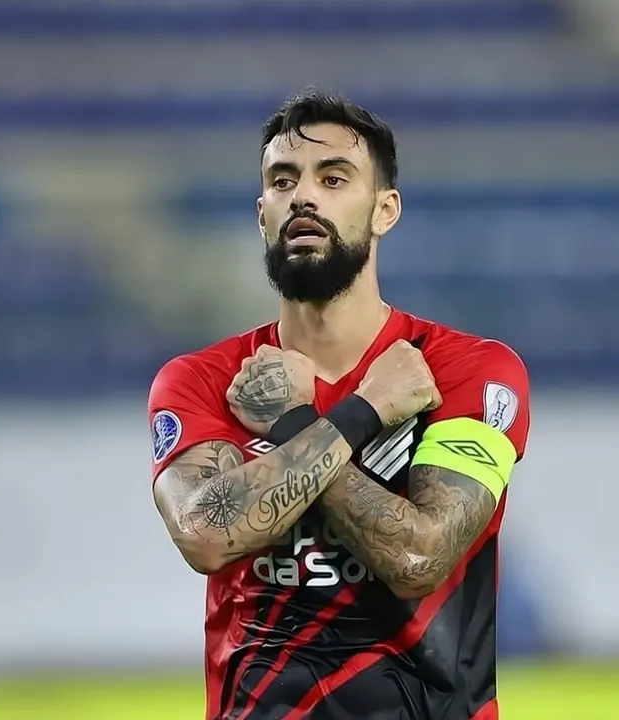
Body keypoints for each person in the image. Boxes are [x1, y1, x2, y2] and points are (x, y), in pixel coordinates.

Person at [147, 89, 531, 720]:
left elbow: (420, 557)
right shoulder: (202, 380)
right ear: (262, 215)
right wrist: (362, 412)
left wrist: (296, 423)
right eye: (282, 180)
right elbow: (206, 534)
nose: (303, 196)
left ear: (385, 210)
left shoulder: (468, 371)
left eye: (333, 178)